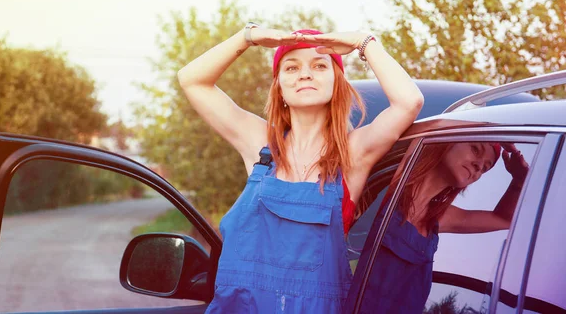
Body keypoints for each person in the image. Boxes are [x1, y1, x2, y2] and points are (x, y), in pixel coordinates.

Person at [177, 23, 424, 313]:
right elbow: (191, 80)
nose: (305, 73)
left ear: (337, 83)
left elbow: (409, 102)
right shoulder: (259, 143)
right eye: (291, 68)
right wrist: (249, 37)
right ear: (279, 88)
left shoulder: (353, 155)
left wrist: (363, 41)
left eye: (320, 65)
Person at [356, 141, 530, 314]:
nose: (478, 166)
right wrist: (488, 126)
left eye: (485, 167)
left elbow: (503, 219)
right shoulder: (392, 187)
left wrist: (519, 180)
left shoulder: (438, 217)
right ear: (447, 143)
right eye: (475, 149)